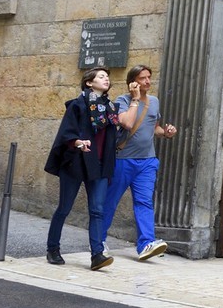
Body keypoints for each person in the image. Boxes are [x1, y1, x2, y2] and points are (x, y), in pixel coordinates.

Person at [44, 68, 124, 270]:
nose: (106, 78)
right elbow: (66, 133)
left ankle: (97, 255)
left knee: (97, 210)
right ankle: (52, 248)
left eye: (107, 76)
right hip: (76, 162)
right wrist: (78, 142)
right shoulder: (78, 105)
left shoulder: (110, 108)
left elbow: (115, 137)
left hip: (99, 166)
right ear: (89, 83)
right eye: (101, 76)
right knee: (64, 208)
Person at [103, 63, 178, 261]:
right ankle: (98, 241)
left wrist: (167, 133)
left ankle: (146, 244)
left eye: (149, 77)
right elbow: (127, 123)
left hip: (147, 162)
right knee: (110, 201)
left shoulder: (154, 101)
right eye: (142, 78)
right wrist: (135, 99)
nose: (147, 81)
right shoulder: (122, 100)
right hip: (123, 161)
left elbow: (155, 128)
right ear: (132, 83)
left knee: (144, 202)